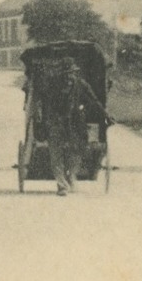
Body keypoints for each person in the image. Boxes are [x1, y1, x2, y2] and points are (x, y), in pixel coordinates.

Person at [39, 57, 101, 196]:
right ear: (61, 74)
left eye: (71, 72)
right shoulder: (53, 86)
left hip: (75, 123)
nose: (69, 76)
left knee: (78, 150)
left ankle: (72, 176)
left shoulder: (81, 85)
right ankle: (61, 185)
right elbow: (46, 105)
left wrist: (105, 115)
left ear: (75, 73)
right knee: (56, 152)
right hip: (56, 122)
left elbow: (93, 100)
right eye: (66, 73)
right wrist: (48, 121)